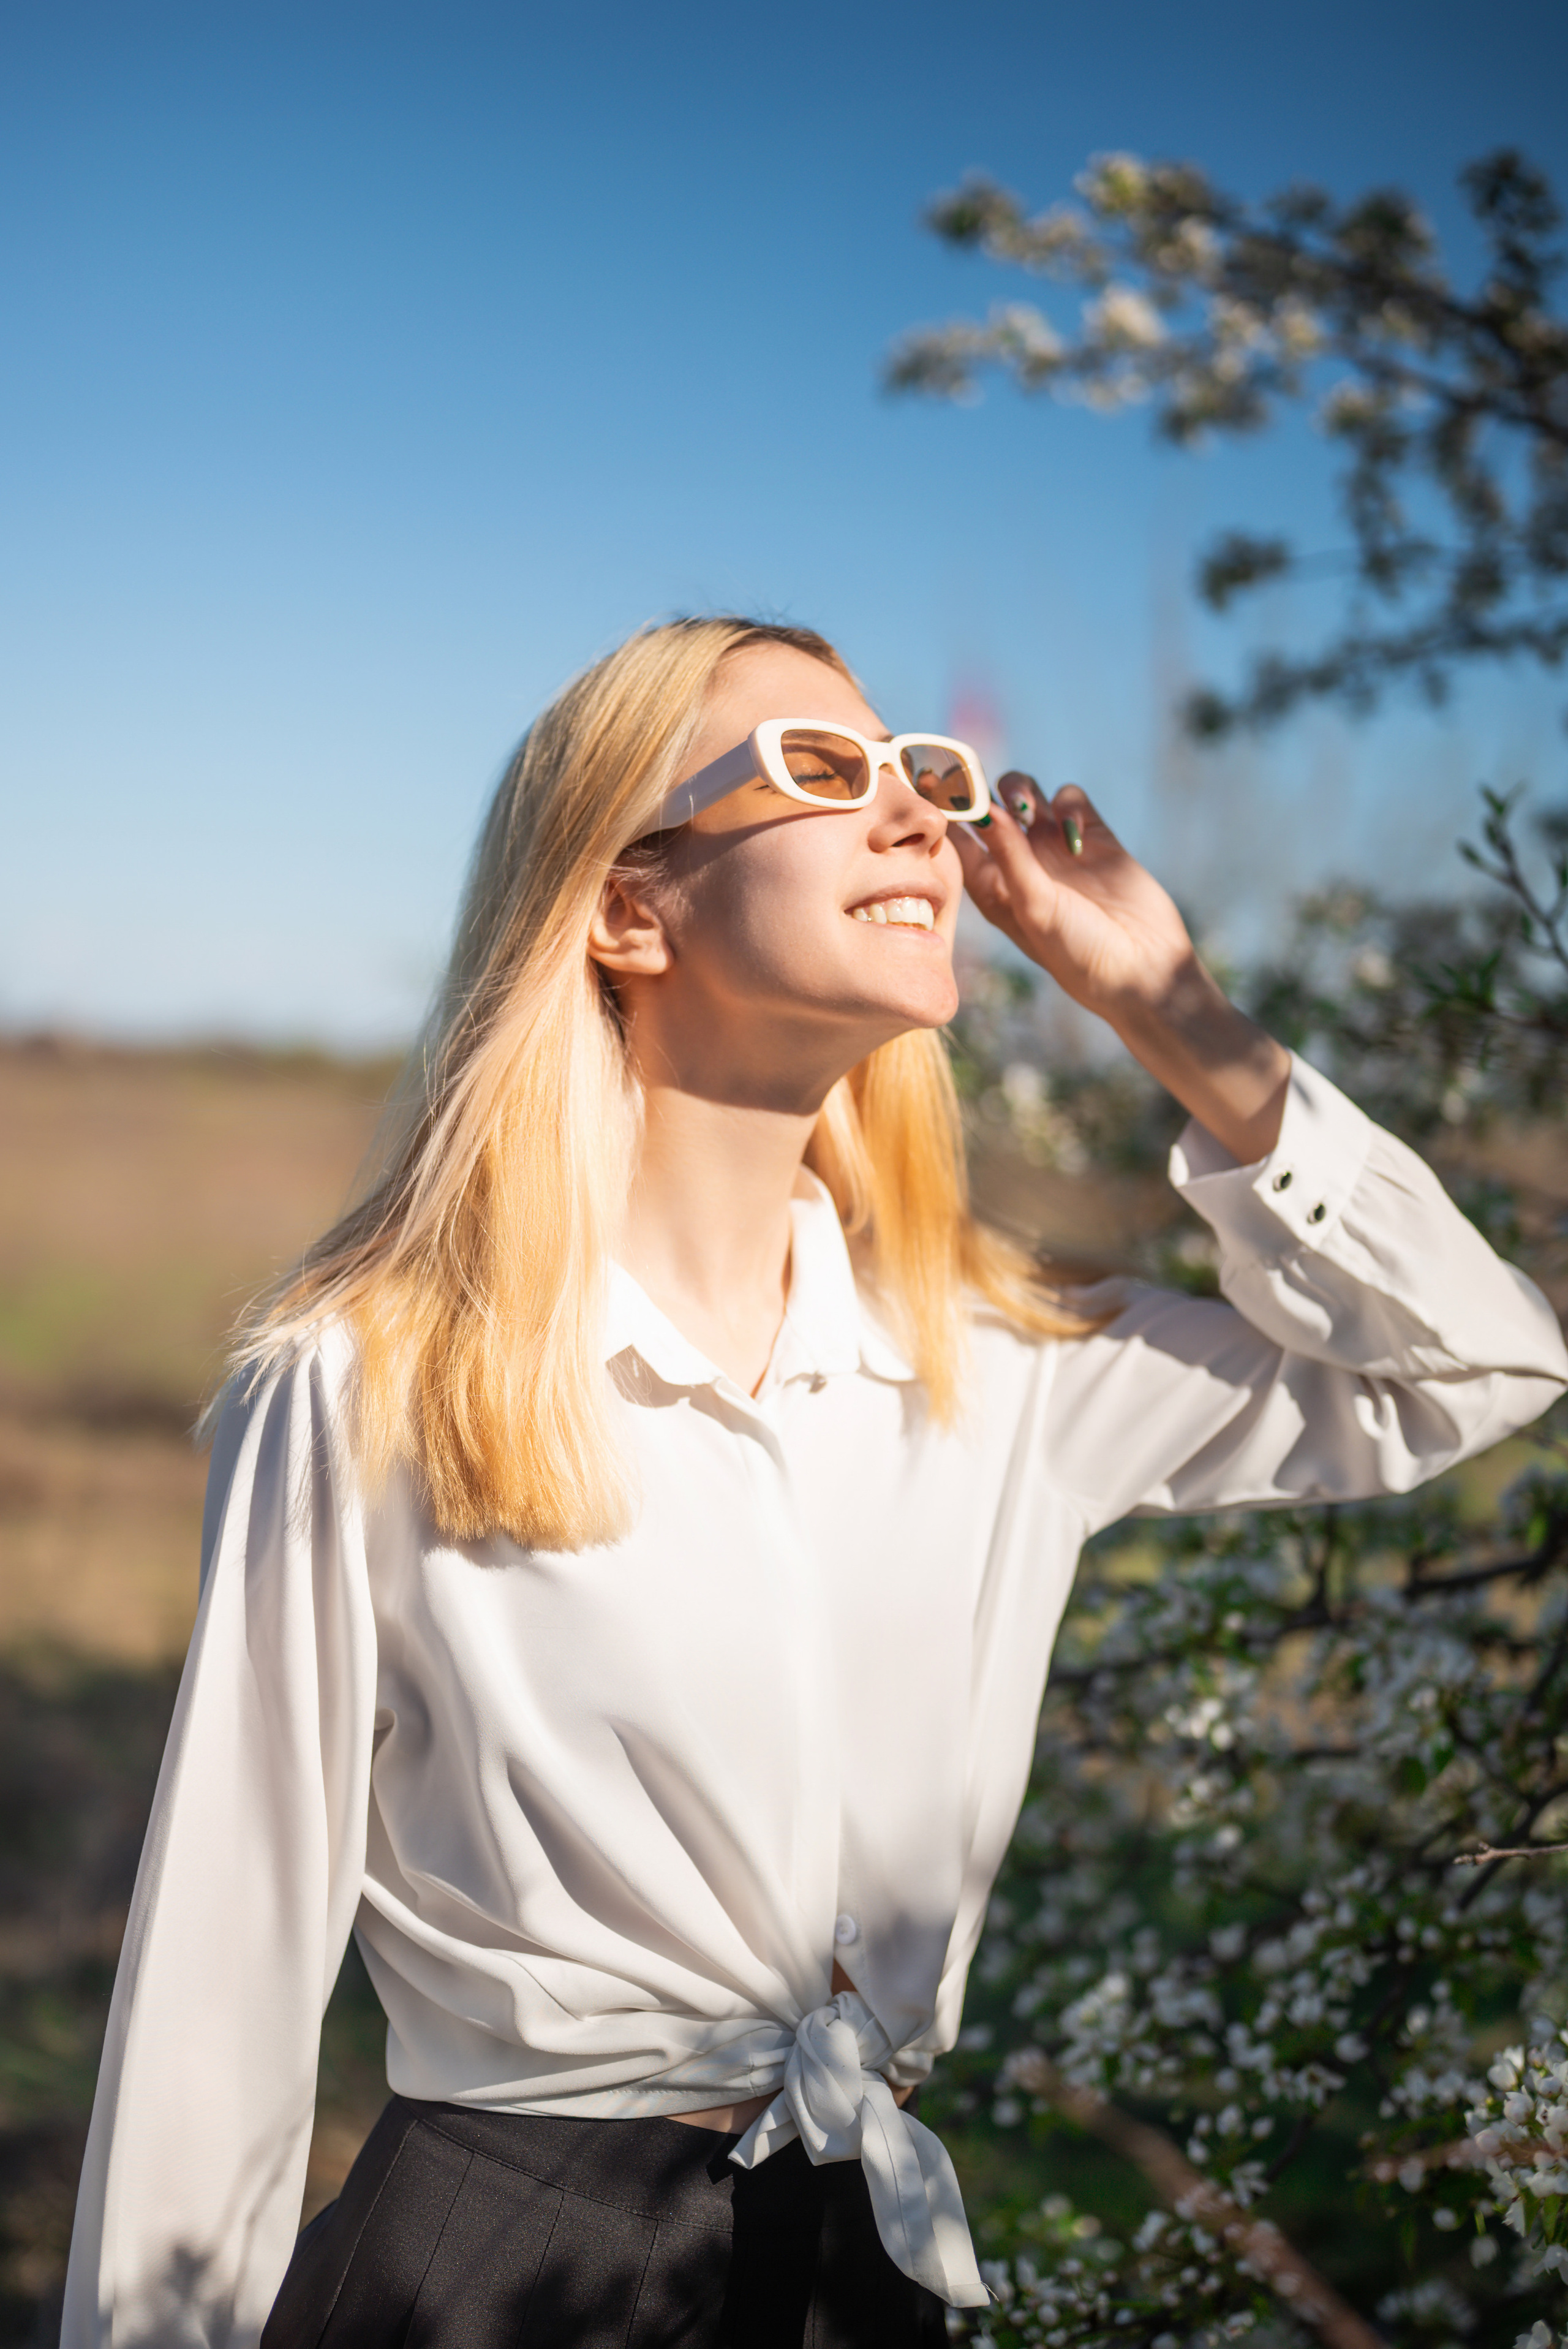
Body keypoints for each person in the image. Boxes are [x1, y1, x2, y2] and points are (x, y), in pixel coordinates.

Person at [62, 616, 1567, 2349]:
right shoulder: (366, 1382)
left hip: (865, 2262)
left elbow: (1478, 1364)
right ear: (629, 907)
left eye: (922, 773)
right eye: (823, 772)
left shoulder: (1000, 1366)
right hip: (487, 2274)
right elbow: (220, 1985)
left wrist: (1175, 1011)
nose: (918, 814)